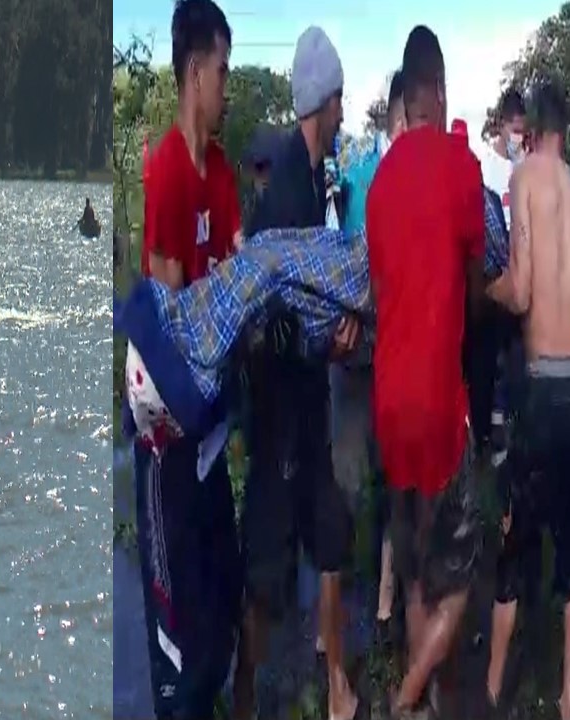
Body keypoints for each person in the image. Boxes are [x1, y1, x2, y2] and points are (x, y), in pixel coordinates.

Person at [234, 24, 359, 720]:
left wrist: (334, 331)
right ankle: (245, 697)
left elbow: (313, 294)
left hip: (309, 405)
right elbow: (268, 317)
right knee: (267, 578)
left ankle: (339, 689)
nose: (344, 112)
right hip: (281, 414)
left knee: (333, 541)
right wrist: (325, 345)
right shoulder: (284, 190)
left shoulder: (314, 177)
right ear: (325, 101)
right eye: (340, 100)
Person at [366, 25, 485, 717]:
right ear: (437, 92)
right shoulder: (460, 165)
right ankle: (407, 695)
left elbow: (385, 297)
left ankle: (425, 706)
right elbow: (473, 284)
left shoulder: (379, 184)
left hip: (389, 408)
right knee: (463, 575)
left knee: (414, 576)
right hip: (442, 408)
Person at [132, 2, 243, 718]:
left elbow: (236, 277)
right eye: (224, 72)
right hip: (166, 444)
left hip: (209, 441)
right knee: (179, 664)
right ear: (197, 71)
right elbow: (172, 323)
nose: (227, 88)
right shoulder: (168, 172)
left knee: (222, 611)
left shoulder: (224, 175)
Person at [483, 80, 570, 720]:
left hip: (543, 384)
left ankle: (494, 685)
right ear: (567, 131)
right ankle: (569, 696)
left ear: (532, 132)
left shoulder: (525, 177)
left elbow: (522, 292)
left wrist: (481, 287)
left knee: (516, 537)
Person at [337, 67, 407, 652]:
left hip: (392, 350)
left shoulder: (382, 173)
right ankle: (341, 613)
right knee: (353, 479)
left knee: (386, 476)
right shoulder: (361, 176)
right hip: (359, 348)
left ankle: (383, 598)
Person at [472, 88, 527, 469]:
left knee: (517, 357)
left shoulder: (522, 166)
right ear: (502, 125)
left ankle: (510, 429)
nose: (519, 138)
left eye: (524, 131)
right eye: (515, 130)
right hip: (493, 276)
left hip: (520, 273)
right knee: (491, 358)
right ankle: (487, 436)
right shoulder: (486, 165)